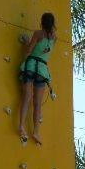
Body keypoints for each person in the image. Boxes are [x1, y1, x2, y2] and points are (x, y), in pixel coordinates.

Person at [18, 12, 57, 145]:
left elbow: (29, 50)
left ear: (41, 22)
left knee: (27, 97)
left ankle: (22, 126)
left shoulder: (37, 34)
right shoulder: (54, 38)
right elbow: (45, 52)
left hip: (30, 66)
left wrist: (25, 43)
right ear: (53, 24)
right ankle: (36, 131)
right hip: (42, 70)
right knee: (37, 103)